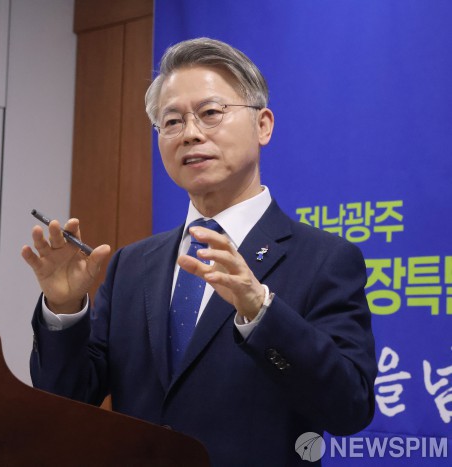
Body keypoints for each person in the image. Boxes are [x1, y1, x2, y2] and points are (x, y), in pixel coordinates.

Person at [22, 37, 377, 466]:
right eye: (172, 121)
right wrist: (63, 310)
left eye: (210, 113)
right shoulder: (132, 265)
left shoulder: (323, 259)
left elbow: (349, 408)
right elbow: (67, 399)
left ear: (263, 125)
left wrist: (260, 311)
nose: (190, 133)